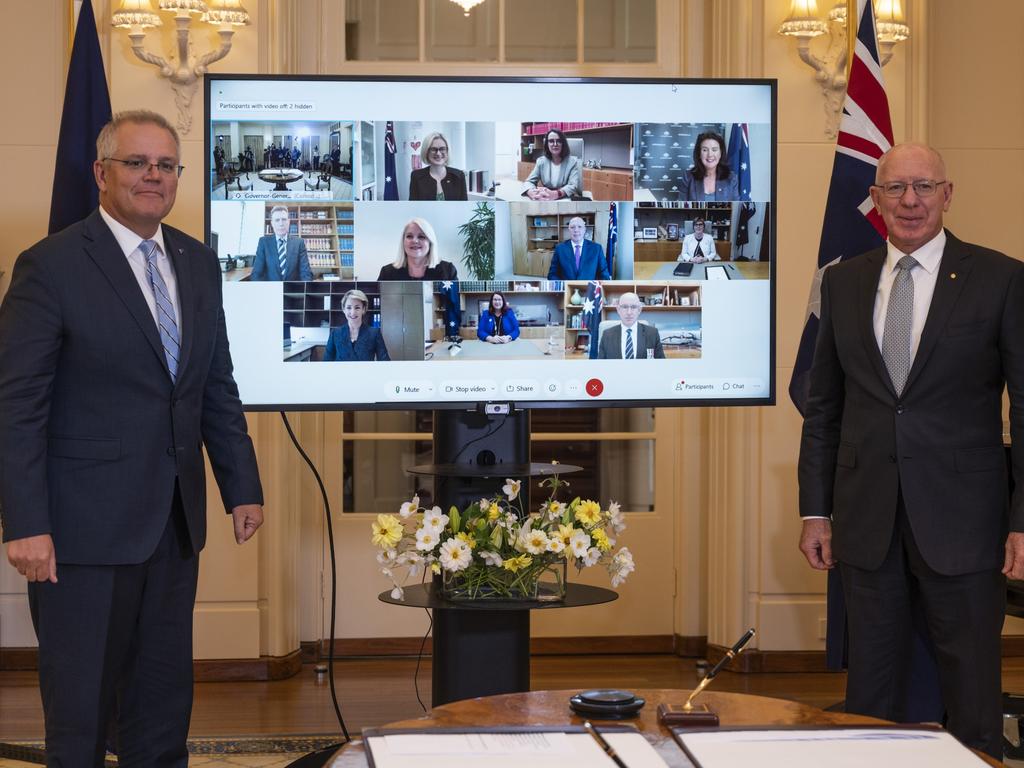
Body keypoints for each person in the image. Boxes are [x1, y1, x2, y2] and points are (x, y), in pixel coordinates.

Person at [0, 110, 264, 763]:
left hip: (173, 527)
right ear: (101, 173)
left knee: (162, 702)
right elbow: (17, 405)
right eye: (137, 163)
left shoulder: (197, 263)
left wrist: (242, 486)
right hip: (81, 532)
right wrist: (24, 522)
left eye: (166, 165)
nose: (153, 176)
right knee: (81, 712)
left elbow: (214, 385)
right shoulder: (51, 265)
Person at [797, 142, 1024, 760]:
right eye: (895, 189)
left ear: (948, 195)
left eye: (924, 187)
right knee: (871, 685)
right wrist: (815, 511)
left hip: (966, 521)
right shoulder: (841, 283)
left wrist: (1021, 523)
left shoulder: (1001, 278)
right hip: (867, 520)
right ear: (875, 202)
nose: (911, 201)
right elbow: (824, 409)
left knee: (973, 688)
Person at [377, 218, 458, 281]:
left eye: (421, 236)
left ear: (430, 242)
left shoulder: (447, 270)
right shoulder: (387, 273)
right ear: (403, 241)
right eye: (409, 236)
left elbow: (457, 301)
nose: (415, 241)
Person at [324, 289, 390, 361]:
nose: (353, 313)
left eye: (357, 308)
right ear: (343, 309)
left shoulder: (374, 333)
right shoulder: (335, 333)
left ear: (363, 309)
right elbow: (326, 362)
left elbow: (385, 362)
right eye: (349, 308)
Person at [251, 205, 313, 281]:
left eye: (284, 219)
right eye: (277, 220)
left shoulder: (299, 243)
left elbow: (306, 273)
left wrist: (303, 290)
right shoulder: (263, 242)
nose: (281, 224)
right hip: (271, 290)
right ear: (272, 223)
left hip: (293, 290)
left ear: (289, 222)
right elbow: (257, 273)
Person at [597, 292, 664, 359]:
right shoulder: (607, 335)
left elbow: (661, 364)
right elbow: (600, 366)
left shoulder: (652, 334)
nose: (629, 312)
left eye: (633, 307)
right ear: (618, 310)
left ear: (639, 310)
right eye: (625, 307)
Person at [524, 128, 582, 201]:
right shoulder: (541, 162)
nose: (555, 144)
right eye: (551, 141)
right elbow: (529, 181)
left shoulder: (572, 162)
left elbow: (573, 186)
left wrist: (556, 194)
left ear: (563, 143)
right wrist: (531, 192)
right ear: (547, 144)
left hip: (565, 198)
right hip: (546, 199)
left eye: (558, 141)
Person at [680, 131, 739, 201]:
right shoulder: (688, 177)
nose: (710, 154)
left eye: (714, 150)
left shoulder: (731, 178)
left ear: (720, 153)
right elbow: (681, 207)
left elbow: (735, 205)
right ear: (699, 153)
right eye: (705, 150)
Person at [409, 132, 468, 201]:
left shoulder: (459, 176)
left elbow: (463, 207)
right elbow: (413, 206)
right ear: (426, 152)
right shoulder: (416, 176)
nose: (438, 153)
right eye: (433, 149)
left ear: (447, 151)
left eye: (442, 149)